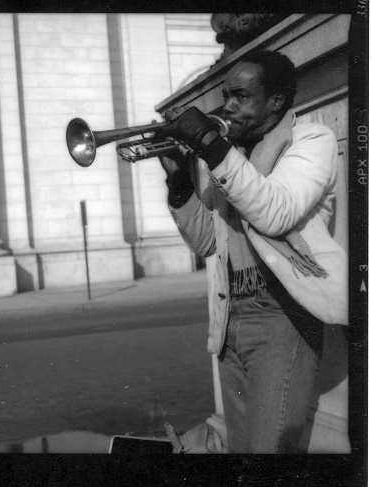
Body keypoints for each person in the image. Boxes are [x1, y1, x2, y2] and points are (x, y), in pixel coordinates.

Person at [156, 50, 347, 453]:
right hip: (230, 320)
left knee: (269, 449)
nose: (229, 106)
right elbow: (208, 241)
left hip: (282, 319)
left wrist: (211, 146)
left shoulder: (311, 140)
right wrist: (179, 184)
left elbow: (274, 212)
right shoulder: (230, 156)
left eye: (242, 96)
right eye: (227, 95)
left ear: (275, 101)